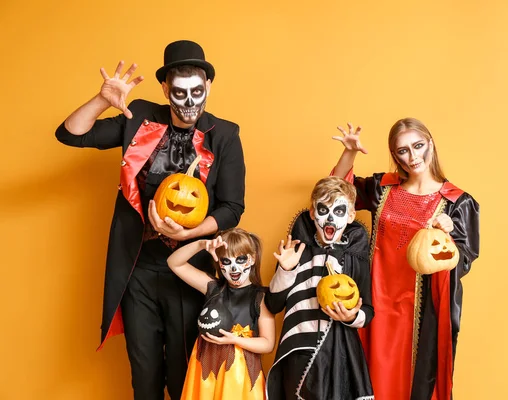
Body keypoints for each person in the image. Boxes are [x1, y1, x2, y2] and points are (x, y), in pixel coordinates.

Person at [55, 40, 246, 399]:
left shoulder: (225, 135)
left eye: (198, 92)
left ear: (208, 87)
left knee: (183, 369)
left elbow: (232, 208)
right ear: (165, 90)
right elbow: (71, 134)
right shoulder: (141, 118)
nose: (189, 103)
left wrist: (189, 229)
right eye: (180, 93)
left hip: (189, 269)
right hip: (139, 268)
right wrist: (102, 100)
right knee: (144, 372)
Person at [331, 118, 480, 400]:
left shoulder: (458, 202)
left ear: (430, 144)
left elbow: (463, 260)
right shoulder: (382, 187)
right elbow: (336, 194)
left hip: (419, 308)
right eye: (402, 151)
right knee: (367, 373)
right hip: (374, 296)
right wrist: (349, 152)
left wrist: (447, 236)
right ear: (394, 155)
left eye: (418, 146)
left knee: (409, 379)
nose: (412, 157)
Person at [265, 176, 374, 400]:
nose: (330, 218)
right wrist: (285, 269)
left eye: (339, 211)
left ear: (351, 216)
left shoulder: (355, 258)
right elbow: (272, 304)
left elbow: (369, 310)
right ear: (313, 213)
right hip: (298, 348)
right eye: (323, 210)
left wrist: (352, 316)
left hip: (339, 351)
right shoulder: (296, 250)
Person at [166, 227, 275, 399]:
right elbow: (174, 263)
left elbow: (268, 344)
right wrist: (201, 244)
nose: (233, 268)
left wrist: (234, 340)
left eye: (240, 259)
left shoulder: (261, 296)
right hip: (206, 368)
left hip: (240, 375)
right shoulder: (213, 288)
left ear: (252, 259)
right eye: (226, 261)